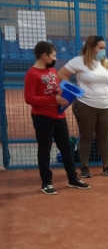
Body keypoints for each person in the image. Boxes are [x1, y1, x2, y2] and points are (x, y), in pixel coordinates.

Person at [24, 41, 90, 195]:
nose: (55, 58)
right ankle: (46, 182)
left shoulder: (52, 71)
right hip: (42, 117)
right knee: (44, 149)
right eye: (53, 56)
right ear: (44, 56)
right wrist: (53, 100)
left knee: (66, 148)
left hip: (59, 115)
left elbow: (54, 90)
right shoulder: (32, 74)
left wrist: (61, 94)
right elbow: (29, 98)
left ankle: (72, 178)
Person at [58, 35, 108, 179]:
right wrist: (74, 89)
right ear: (92, 48)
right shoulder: (78, 61)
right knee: (87, 136)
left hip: (107, 105)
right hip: (86, 105)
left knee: (104, 137)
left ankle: (107, 166)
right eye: (101, 48)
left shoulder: (105, 62)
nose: (103, 51)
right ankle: (84, 166)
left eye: (104, 48)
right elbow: (61, 74)